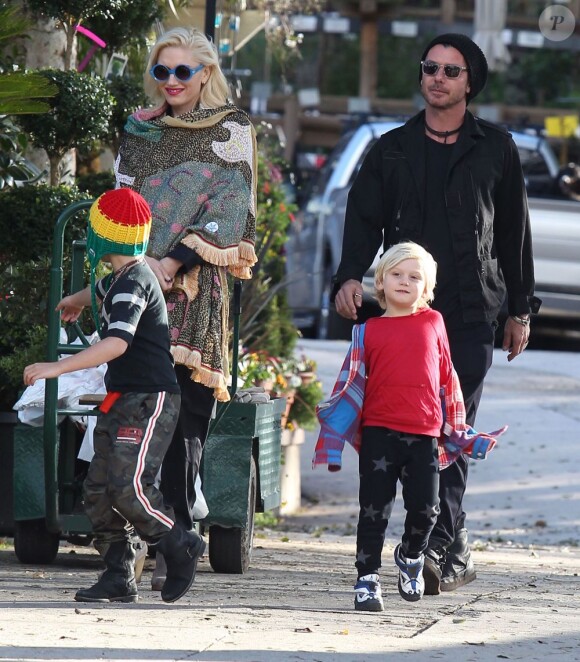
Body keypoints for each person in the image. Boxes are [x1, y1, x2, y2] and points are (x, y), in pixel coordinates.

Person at [332, 33, 540, 596]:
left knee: (452, 427)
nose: (438, 78)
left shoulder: (496, 148)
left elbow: (514, 236)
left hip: (470, 315)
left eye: (451, 71)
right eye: (430, 68)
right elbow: (361, 220)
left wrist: (520, 310)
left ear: (470, 81)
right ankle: (424, 540)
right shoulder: (391, 149)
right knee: (400, 432)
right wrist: (349, 276)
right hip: (401, 320)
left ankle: (442, 547)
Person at [114, 27, 258, 589]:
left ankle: (174, 538)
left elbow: (232, 205)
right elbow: (120, 205)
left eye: (182, 71)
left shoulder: (233, 128)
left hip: (199, 285)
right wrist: (128, 271)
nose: (171, 81)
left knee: (185, 416)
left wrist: (173, 263)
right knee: (142, 413)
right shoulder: (139, 131)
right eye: (161, 71)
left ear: (205, 74)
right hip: (139, 286)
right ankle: (160, 539)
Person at [23, 188, 205, 604]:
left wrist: (56, 368)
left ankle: (180, 543)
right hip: (122, 397)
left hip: (150, 399)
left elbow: (117, 343)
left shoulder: (137, 279)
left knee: (129, 486)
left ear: (103, 236)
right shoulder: (122, 277)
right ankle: (118, 572)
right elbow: (101, 291)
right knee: (98, 489)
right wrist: (76, 300)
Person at [314, 241, 502, 610]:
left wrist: (458, 428)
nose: (404, 282)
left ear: (427, 288)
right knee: (373, 510)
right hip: (380, 433)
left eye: (414, 277)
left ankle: (411, 557)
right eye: (396, 275)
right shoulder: (367, 331)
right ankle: (366, 578)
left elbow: (448, 378)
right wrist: (334, 435)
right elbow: (349, 386)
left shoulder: (433, 322)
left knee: (426, 508)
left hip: (425, 434)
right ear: (381, 284)